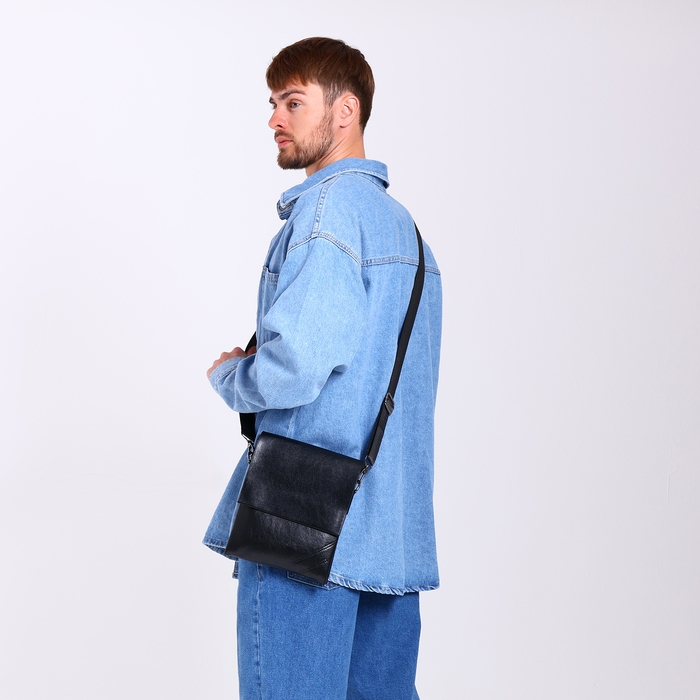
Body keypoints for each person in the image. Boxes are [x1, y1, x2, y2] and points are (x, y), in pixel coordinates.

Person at [204, 37, 442, 700]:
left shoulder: (325, 215)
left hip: (302, 526)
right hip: (390, 532)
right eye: (273, 103)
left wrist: (232, 377)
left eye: (293, 102)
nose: (274, 120)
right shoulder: (406, 233)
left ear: (346, 111)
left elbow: (298, 366)